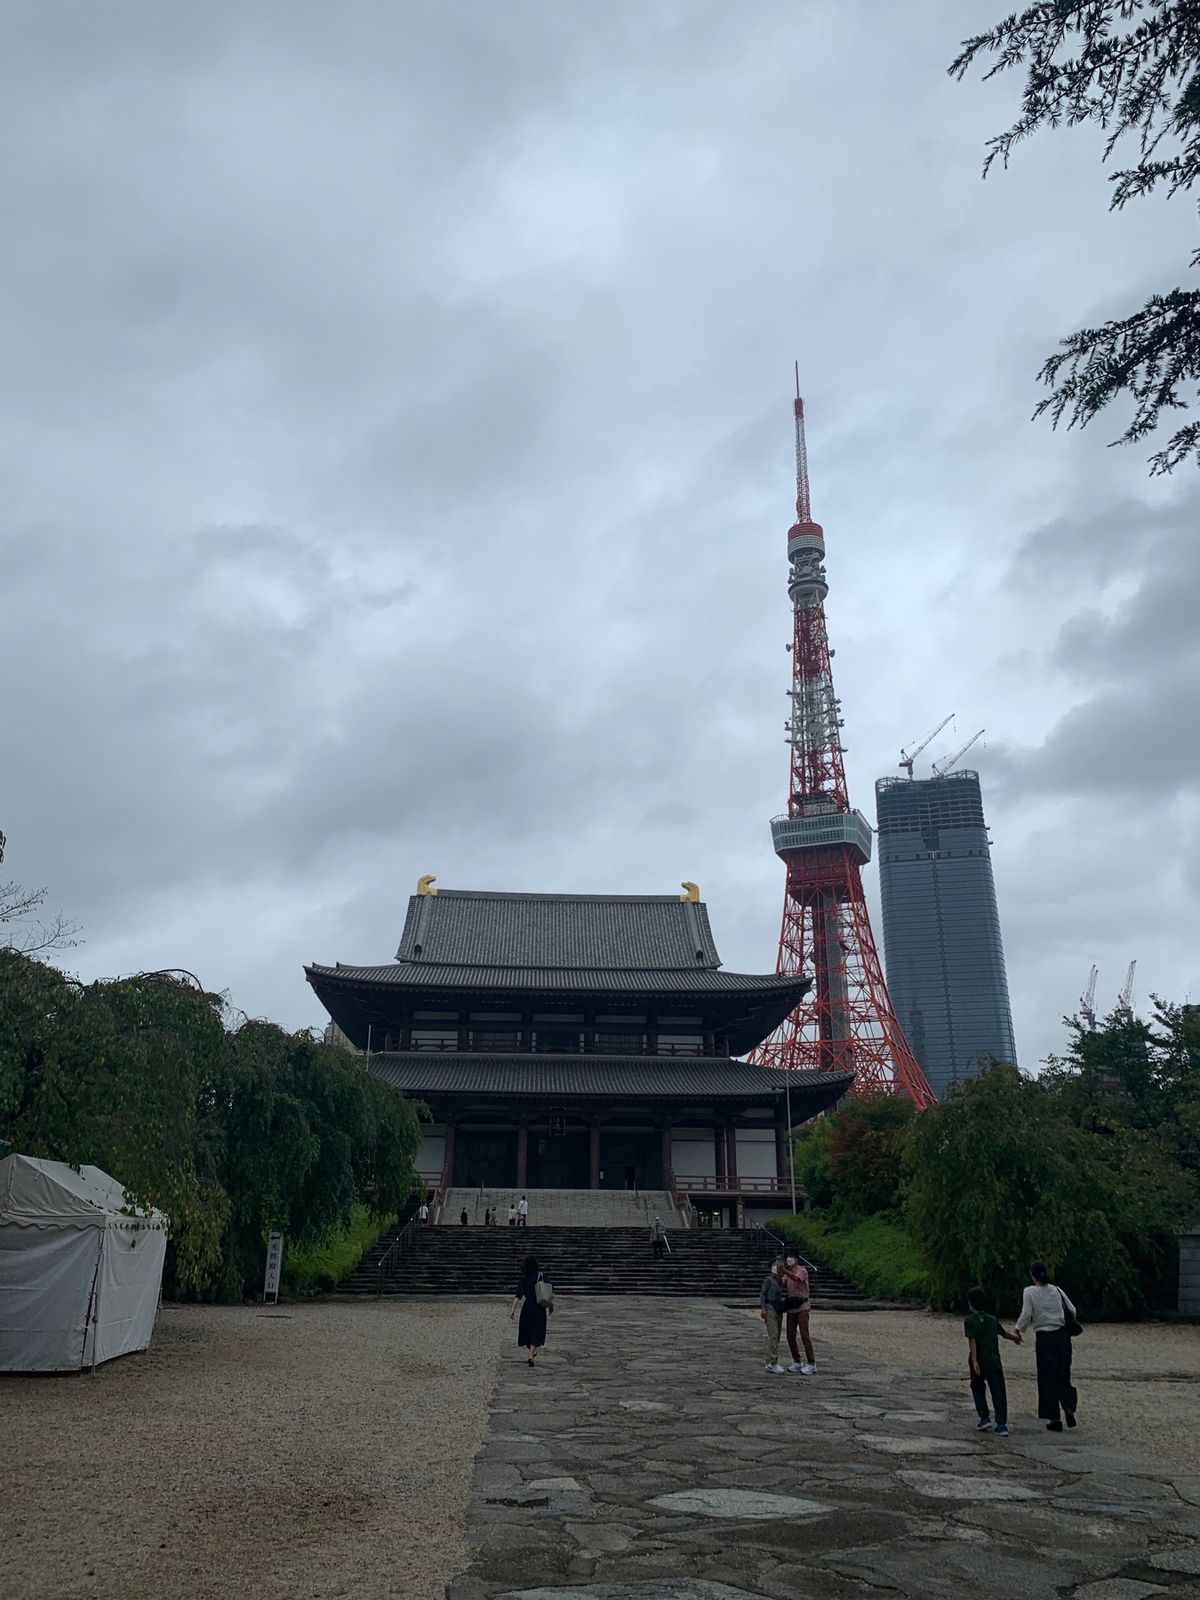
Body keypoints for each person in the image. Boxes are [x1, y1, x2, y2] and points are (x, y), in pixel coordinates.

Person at [1016, 1261, 1078, 1432]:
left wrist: (1018, 1330)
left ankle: (1054, 1418)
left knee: (1047, 1377)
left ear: (1032, 1275)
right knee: (1063, 1373)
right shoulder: (1057, 1290)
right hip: (1062, 1337)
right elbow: (1072, 1310)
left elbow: (1026, 1313)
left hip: (1045, 1338)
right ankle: (1068, 1404)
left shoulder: (1029, 1291)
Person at [964, 1286, 1019, 1436]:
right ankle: (1001, 1423)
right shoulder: (992, 1320)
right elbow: (1004, 1334)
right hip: (994, 1359)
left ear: (970, 1304)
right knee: (998, 1390)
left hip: (980, 1359)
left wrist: (974, 1361)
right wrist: (1015, 1338)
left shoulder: (969, 1321)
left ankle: (984, 1417)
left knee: (978, 1387)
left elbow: (972, 1341)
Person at [510, 1253, 552, 1366]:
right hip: (539, 1307)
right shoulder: (542, 1276)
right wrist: (550, 1306)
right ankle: (531, 1355)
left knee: (527, 1331)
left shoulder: (524, 1278)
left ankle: (531, 1353)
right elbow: (549, 1292)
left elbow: (518, 1295)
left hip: (527, 1308)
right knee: (537, 1331)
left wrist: (513, 1309)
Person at [780, 1250, 816, 1374]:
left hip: (802, 1305)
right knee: (790, 1334)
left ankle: (811, 1362)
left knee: (804, 1333)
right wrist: (778, 1272)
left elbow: (796, 1278)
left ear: (797, 1259)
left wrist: (784, 1271)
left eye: (791, 1257)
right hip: (792, 1306)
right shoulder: (786, 1274)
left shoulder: (802, 1270)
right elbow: (782, 1284)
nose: (789, 1260)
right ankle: (797, 1360)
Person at [759, 1259, 787, 1374]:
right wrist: (763, 1308)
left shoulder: (781, 1281)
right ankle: (772, 1361)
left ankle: (772, 1360)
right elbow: (762, 1294)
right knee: (773, 1335)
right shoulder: (768, 1280)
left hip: (778, 1310)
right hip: (770, 1309)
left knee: (777, 1335)